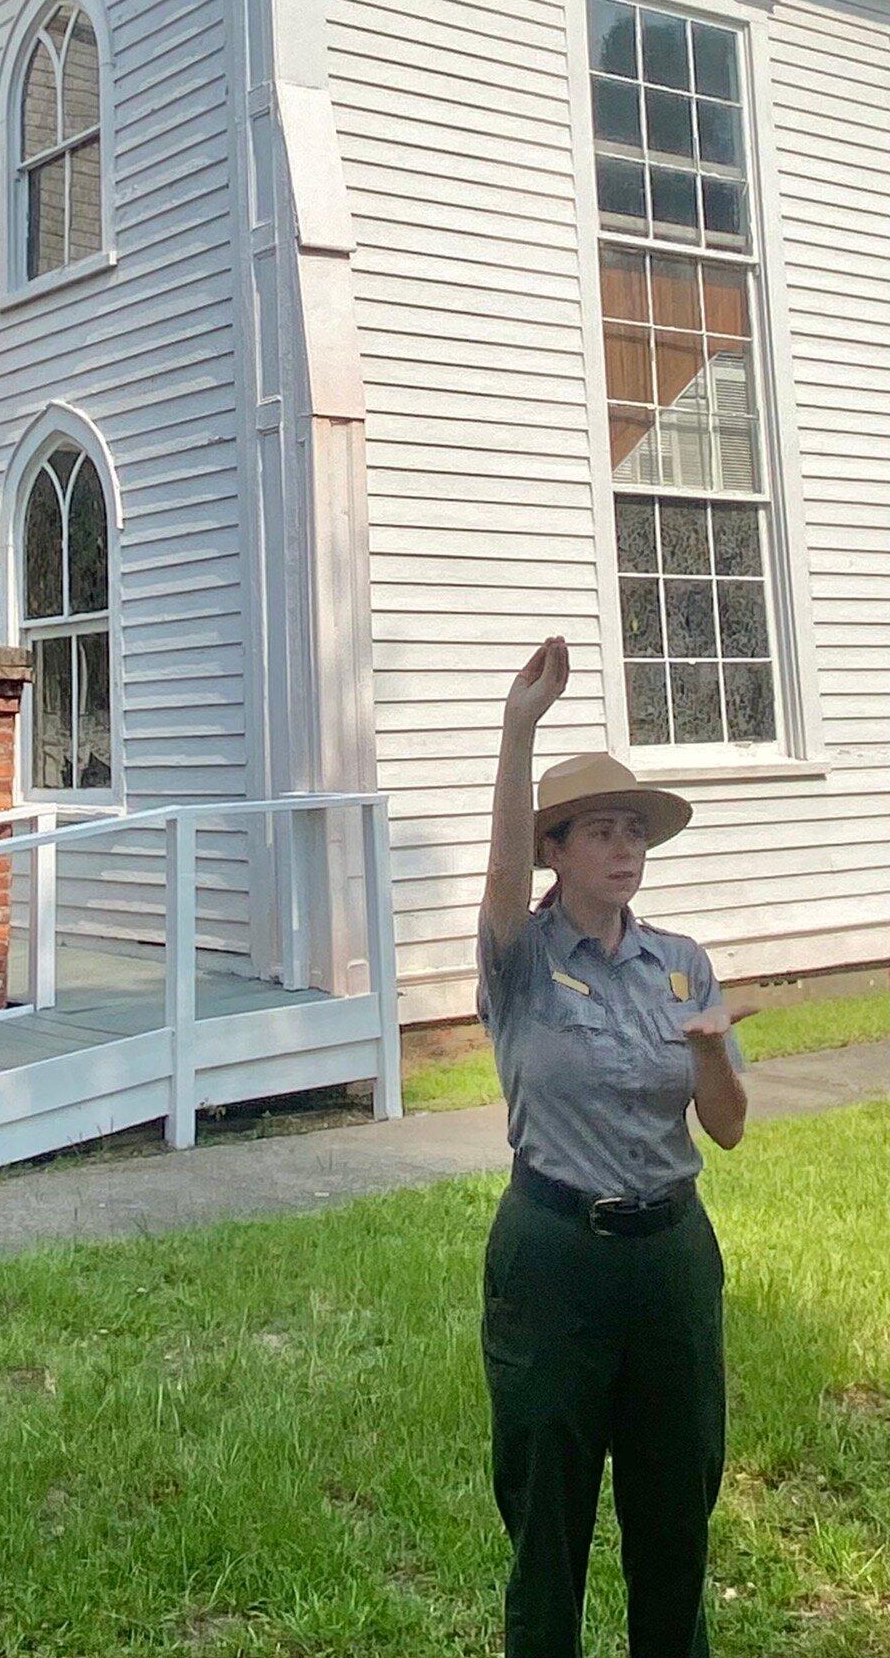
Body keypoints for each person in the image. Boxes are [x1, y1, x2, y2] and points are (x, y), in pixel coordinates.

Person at [477, 635, 757, 1658]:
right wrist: (520, 728)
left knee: (675, 1514)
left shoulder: (681, 964)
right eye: (600, 830)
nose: (624, 847)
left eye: (633, 830)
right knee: (548, 1524)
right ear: (558, 848)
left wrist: (715, 1053)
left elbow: (724, 1125)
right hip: (553, 1256)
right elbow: (501, 871)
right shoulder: (521, 959)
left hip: (673, 1261)